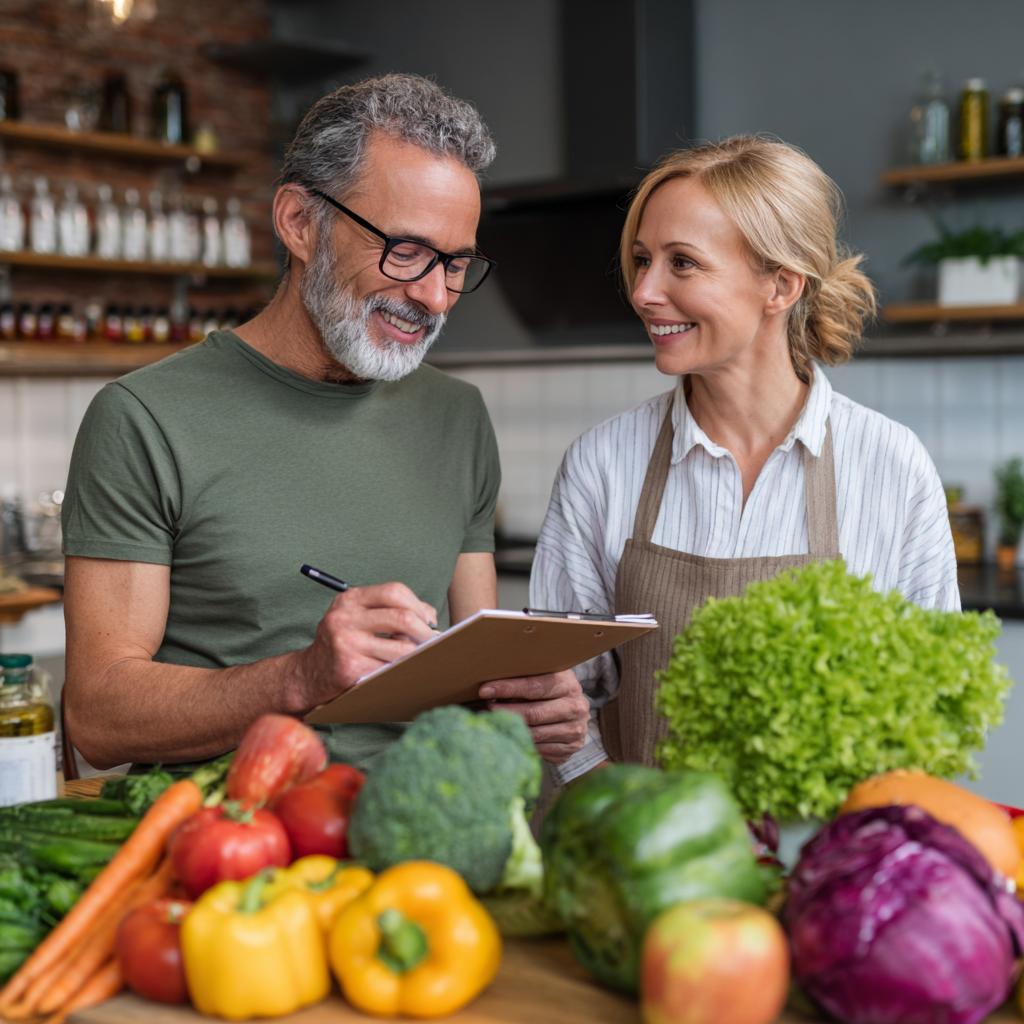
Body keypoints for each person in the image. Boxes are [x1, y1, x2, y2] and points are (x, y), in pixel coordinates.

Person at [61, 74, 589, 773]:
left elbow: (472, 669)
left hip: (424, 850)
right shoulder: (144, 419)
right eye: (405, 249)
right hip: (234, 852)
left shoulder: (457, 417)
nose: (434, 296)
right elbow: (97, 718)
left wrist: (529, 702)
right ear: (300, 223)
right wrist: (300, 679)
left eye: (456, 264)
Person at [530, 136, 958, 781]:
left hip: (819, 863)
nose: (644, 291)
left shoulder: (891, 466)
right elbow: (562, 699)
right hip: (634, 862)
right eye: (642, 260)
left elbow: (935, 707)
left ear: (780, 285)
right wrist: (614, 810)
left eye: (683, 264)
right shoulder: (603, 462)